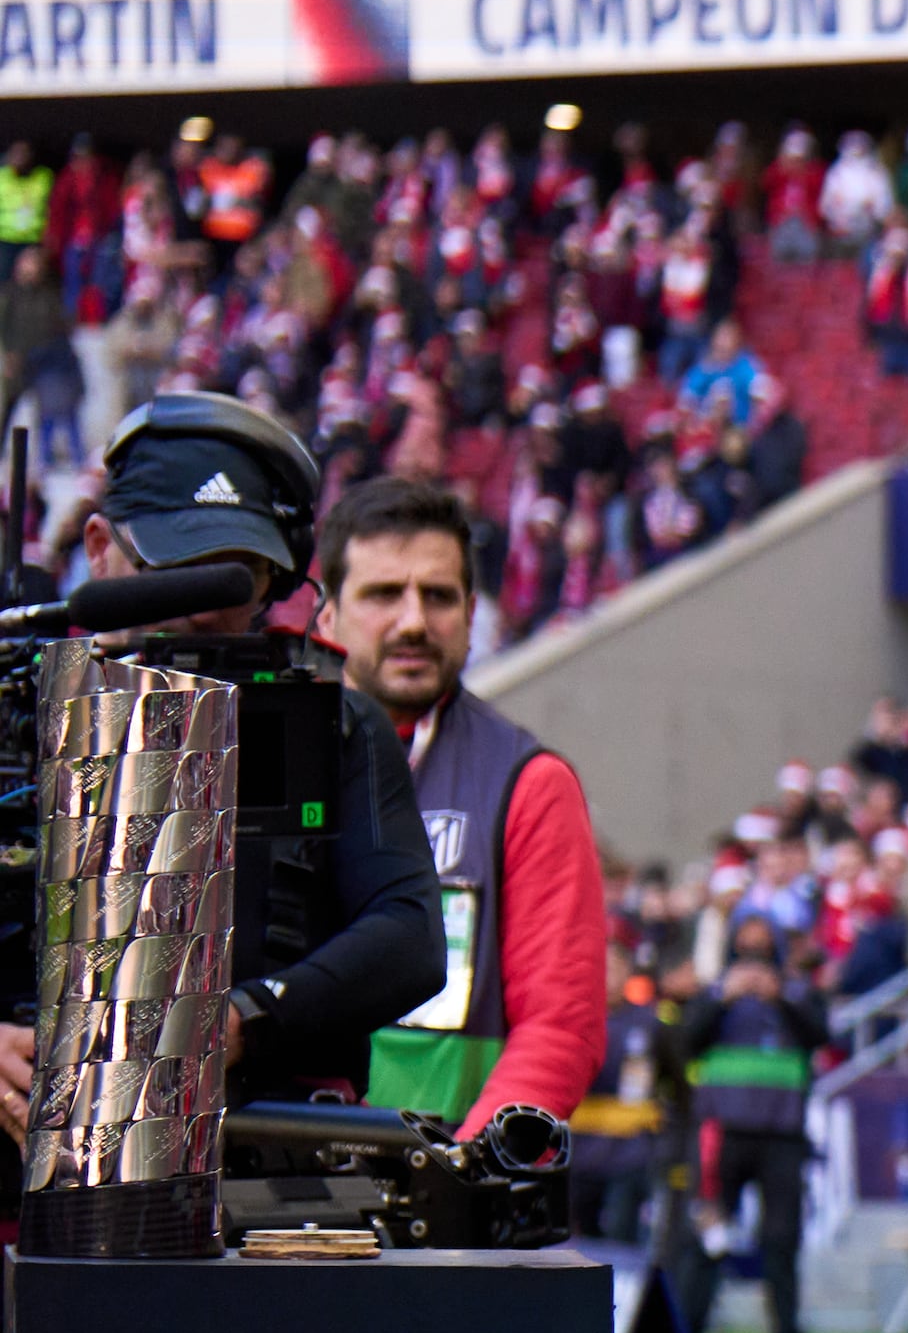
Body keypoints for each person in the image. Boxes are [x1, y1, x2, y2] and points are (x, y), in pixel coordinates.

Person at [0, 392, 436, 1150]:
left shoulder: (335, 724)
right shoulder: (17, 710)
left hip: (262, 1175)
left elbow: (408, 936)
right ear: (99, 547)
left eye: (234, 576)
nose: (203, 607)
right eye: (177, 567)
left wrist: (235, 1022)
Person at [315, 469, 606, 1133]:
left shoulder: (528, 784)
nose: (414, 621)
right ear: (327, 616)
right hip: (277, 1188)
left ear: (473, 615)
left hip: (447, 1201)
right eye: (384, 594)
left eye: (439, 596)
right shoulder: (265, 765)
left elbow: (562, 1027)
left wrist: (463, 1176)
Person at [677, 935, 826, 1333]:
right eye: (745, 961)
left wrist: (781, 1000)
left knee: (781, 1238)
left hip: (782, 1134)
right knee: (709, 1234)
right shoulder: (713, 996)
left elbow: (819, 1037)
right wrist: (724, 998)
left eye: (762, 962)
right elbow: (688, 1040)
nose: (754, 973)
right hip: (722, 1133)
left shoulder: (798, 997)